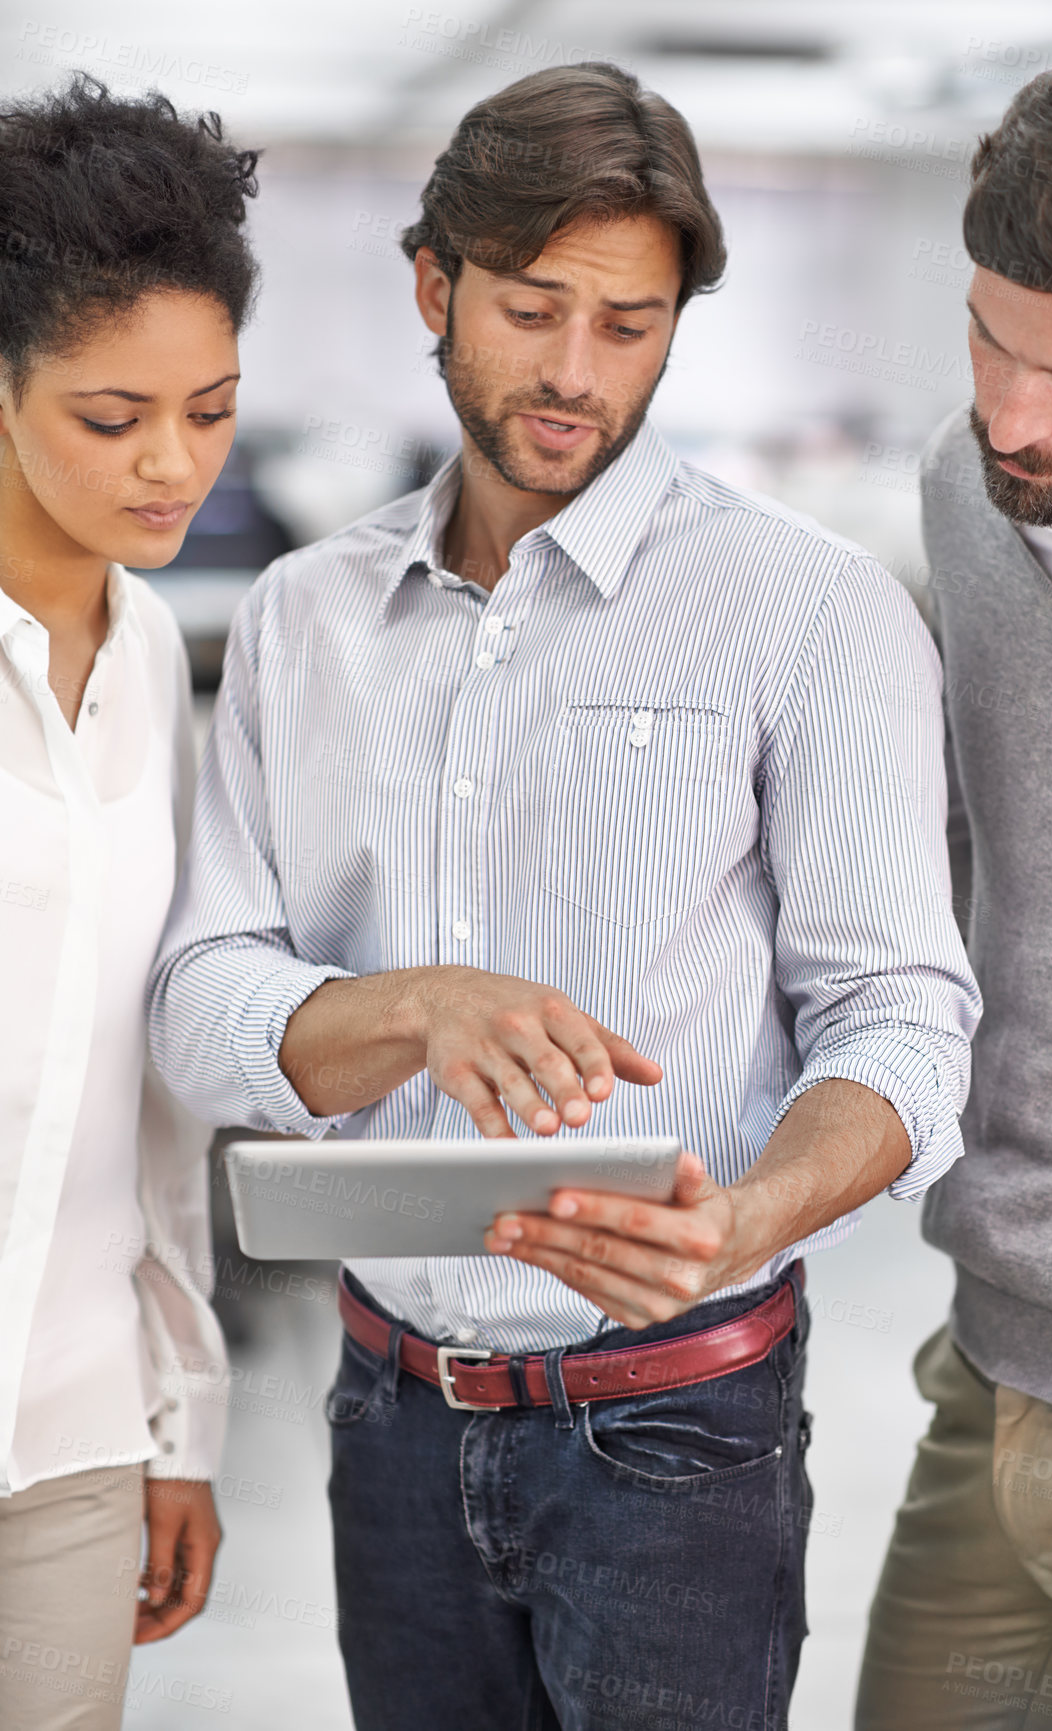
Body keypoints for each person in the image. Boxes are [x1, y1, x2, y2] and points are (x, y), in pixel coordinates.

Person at [149, 61, 979, 1731]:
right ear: (432, 286)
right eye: (535, 312)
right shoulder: (308, 622)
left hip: (676, 1428)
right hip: (388, 1410)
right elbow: (197, 997)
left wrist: (749, 1219)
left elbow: (904, 1018)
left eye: (632, 323)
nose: (579, 373)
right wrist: (398, 1010)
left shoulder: (807, 615)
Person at [855, 32, 1052, 1731]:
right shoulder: (964, 489)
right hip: (992, 1360)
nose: (1013, 417)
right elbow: (969, 867)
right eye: (987, 339)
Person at [0, 74, 259, 1729]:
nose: (173, 466)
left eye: (213, 409)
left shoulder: (154, 649)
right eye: (113, 419)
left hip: (78, 1428)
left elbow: (151, 1077)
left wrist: (185, 1415)